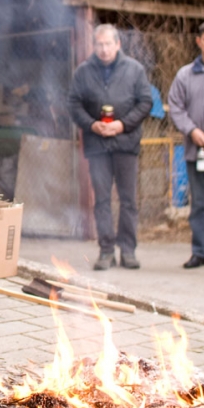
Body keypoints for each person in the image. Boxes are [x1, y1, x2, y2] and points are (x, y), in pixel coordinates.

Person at [68, 24, 153, 270]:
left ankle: (128, 251)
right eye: (99, 44)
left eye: (108, 44)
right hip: (97, 145)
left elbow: (145, 102)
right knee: (102, 200)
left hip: (126, 143)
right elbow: (73, 104)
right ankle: (106, 251)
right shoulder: (83, 71)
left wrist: (122, 125)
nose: (104, 49)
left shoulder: (134, 70)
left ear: (118, 44)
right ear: (94, 46)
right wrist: (91, 124)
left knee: (128, 200)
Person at [168, 19, 204, 269]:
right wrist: (192, 131)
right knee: (199, 203)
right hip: (195, 151)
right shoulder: (184, 74)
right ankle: (200, 252)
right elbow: (175, 106)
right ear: (198, 41)